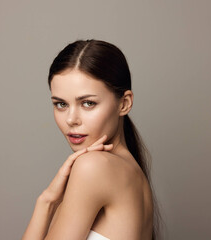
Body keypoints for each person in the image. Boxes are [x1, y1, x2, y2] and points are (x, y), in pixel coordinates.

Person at [22, 39, 160, 240]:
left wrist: (46, 202)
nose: (71, 119)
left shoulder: (93, 166)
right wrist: (48, 200)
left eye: (88, 103)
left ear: (124, 103)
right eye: (61, 104)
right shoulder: (133, 174)